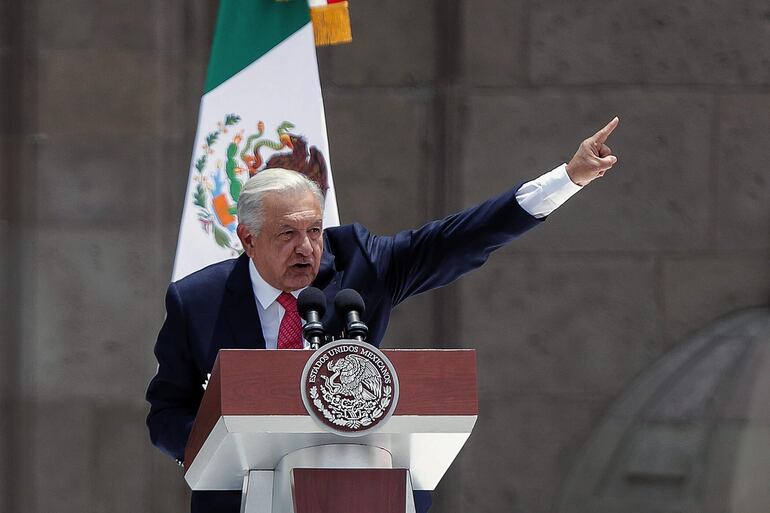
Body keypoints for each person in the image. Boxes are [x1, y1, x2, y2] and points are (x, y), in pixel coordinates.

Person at [146, 118, 620, 513]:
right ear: (248, 240)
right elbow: (167, 412)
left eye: (315, 230)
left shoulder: (359, 262)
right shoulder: (196, 300)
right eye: (287, 234)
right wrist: (214, 447)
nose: (307, 248)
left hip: (369, 491)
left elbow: (459, 239)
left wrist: (567, 179)